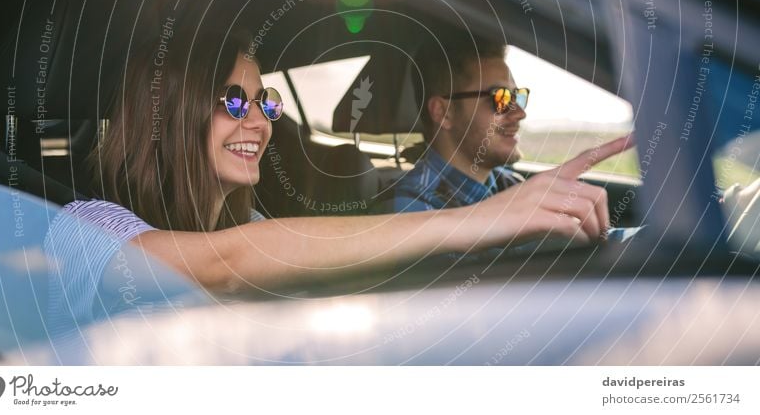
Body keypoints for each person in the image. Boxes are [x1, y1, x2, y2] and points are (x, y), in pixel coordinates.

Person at [58, 30, 632, 293]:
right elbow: (222, 265)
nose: (259, 122)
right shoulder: (82, 230)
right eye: (234, 100)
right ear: (174, 111)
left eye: (267, 101)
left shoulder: (251, 229)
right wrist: (488, 218)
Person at [382, 39, 528, 213]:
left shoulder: (511, 186)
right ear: (443, 112)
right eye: (500, 98)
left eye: (517, 96)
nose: (520, 113)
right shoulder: (411, 210)